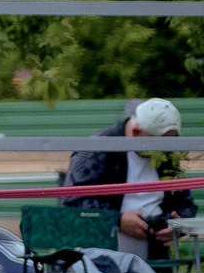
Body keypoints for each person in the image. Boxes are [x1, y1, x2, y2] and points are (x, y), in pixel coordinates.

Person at [63, 97, 190, 259]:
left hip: (156, 251)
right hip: (103, 251)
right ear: (136, 133)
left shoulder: (167, 154)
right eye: (160, 144)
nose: (167, 150)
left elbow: (186, 203)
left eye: (172, 143)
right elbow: (72, 201)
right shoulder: (95, 150)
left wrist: (179, 225)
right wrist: (117, 220)